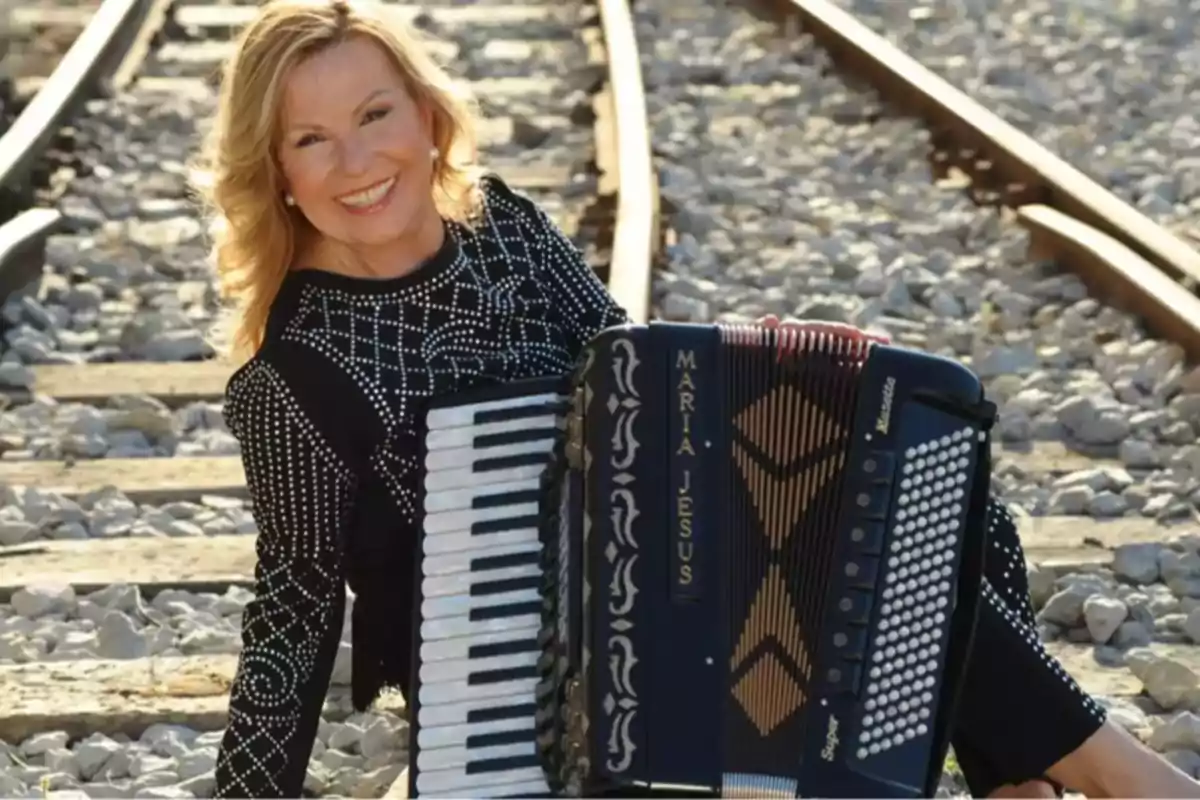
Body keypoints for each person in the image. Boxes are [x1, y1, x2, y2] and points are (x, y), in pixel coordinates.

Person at [191, 0, 1200, 797]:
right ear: (275, 171)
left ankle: (1024, 782)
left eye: (374, 114)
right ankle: (1119, 774)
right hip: (525, 707)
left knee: (950, 499)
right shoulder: (291, 380)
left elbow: (647, 387)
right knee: (888, 533)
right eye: (311, 140)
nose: (358, 162)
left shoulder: (504, 227)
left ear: (425, 111)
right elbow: (290, 622)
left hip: (663, 602)